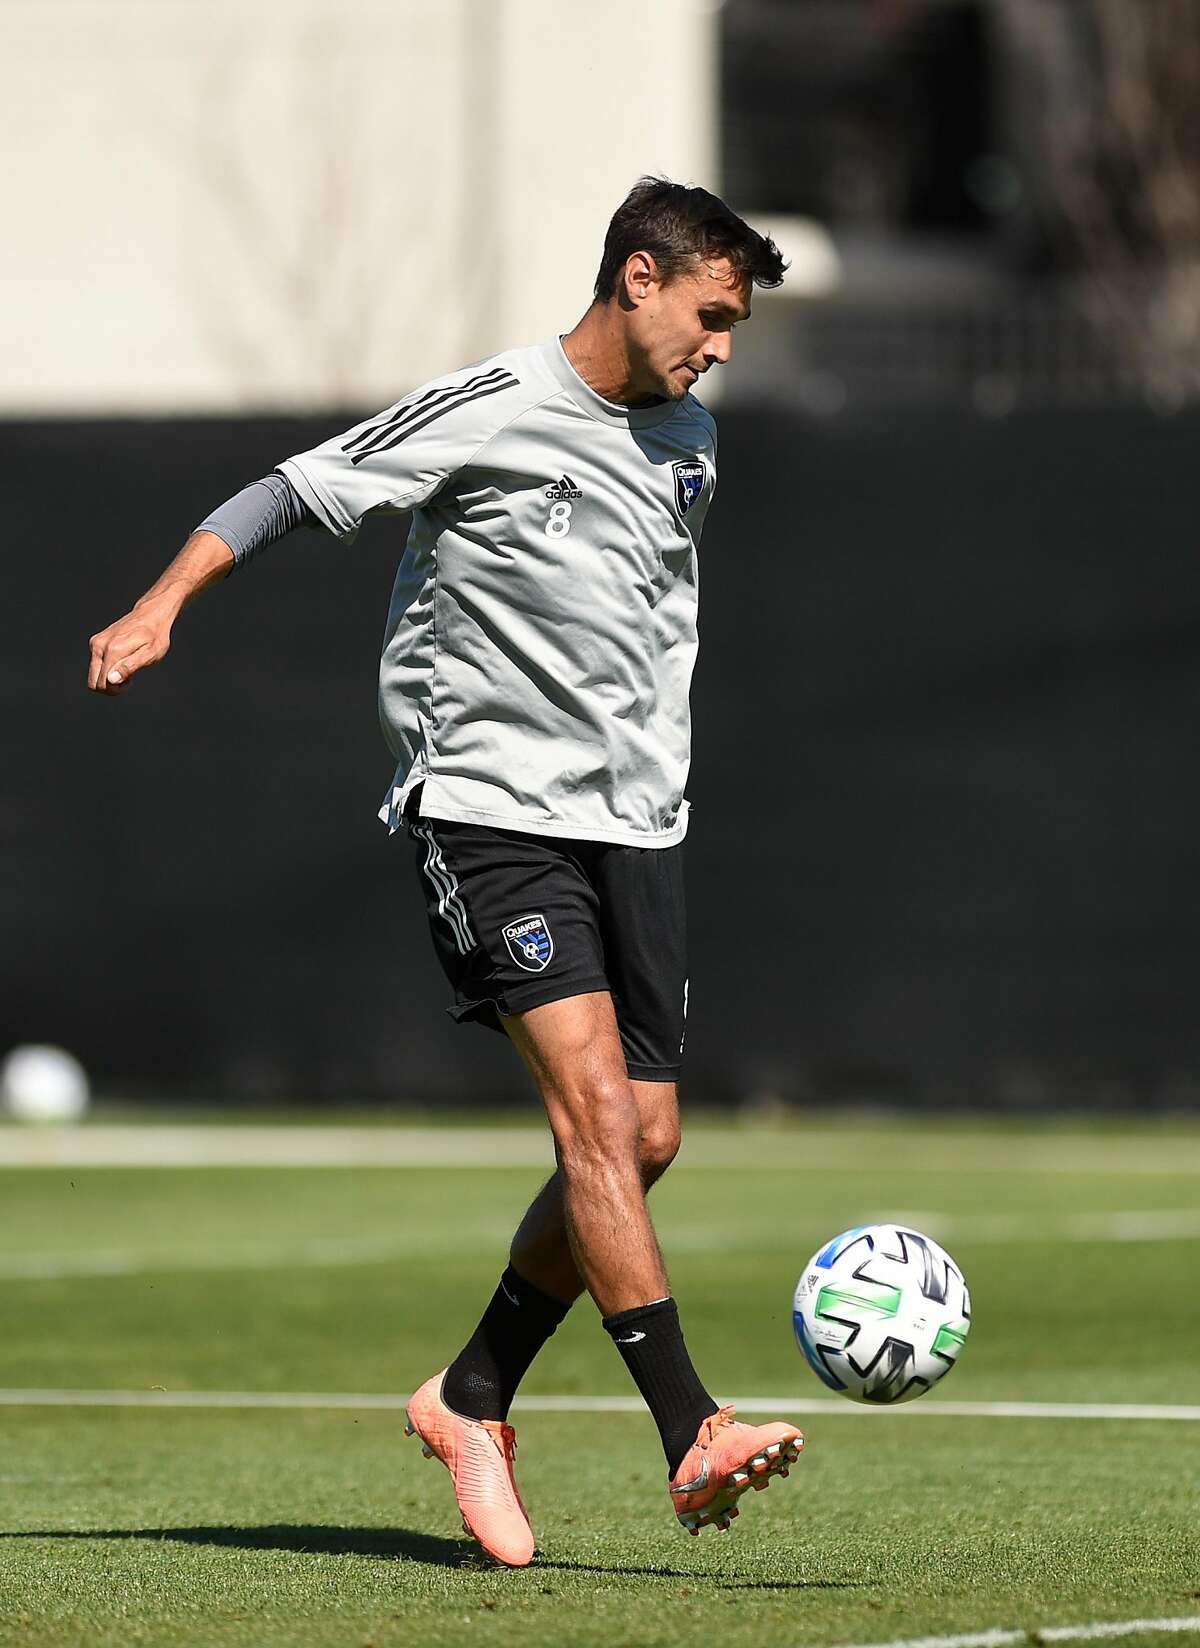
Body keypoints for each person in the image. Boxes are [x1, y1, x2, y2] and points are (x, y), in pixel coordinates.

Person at [86, 176, 803, 1568]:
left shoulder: (694, 438)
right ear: (637, 278)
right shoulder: (492, 404)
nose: (721, 346)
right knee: (596, 1117)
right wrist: (160, 602)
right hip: (487, 810)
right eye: (712, 314)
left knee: (646, 1143)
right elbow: (290, 487)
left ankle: (470, 1397)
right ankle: (691, 1429)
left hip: (638, 826)